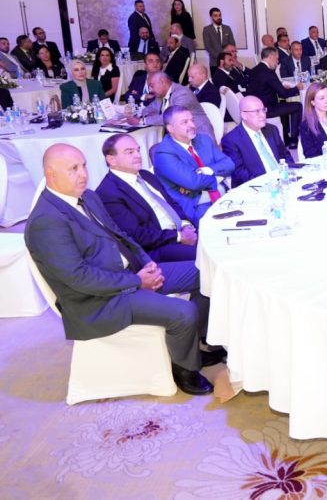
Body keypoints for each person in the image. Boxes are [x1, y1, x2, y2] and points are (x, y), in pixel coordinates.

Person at [26, 143, 220, 396]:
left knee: (204, 272)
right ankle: (184, 369)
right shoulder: (46, 222)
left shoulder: (88, 197)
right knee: (183, 311)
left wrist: (146, 263)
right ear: (51, 174)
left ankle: (192, 344)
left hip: (127, 274)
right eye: (73, 169)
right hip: (97, 301)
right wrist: (137, 282)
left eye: (84, 166)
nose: (83, 174)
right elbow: (79, 278)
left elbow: (122, 236)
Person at [97, 133, 197, 263]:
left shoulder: (145, 175)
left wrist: (185, 225)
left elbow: (171, 203)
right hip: (157, 248)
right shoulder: (108, 192)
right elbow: (137, 235)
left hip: (179, 233)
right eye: (129, 152)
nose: (138, 155)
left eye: (138, 150)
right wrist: (179, 236)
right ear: (111, 160)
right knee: (207, 256)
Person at [221, 95, 297, 186]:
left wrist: (290, 172)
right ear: (244, 115)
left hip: (283, 180)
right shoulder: (231, 140)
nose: (263, 115)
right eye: (257, 111)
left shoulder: (272, 129)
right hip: (257, 186)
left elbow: (284, 155)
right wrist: (268, 184)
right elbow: (239, 173)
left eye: (263, 110)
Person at [246, 47, 304, 148]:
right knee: (297, 106)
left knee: (285, 105)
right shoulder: (269, 72)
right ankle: (293, 140)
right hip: (267, 108)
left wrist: (282, 88)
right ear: (271, 57)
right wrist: (297, 88)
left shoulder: (255, 69)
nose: (277, 62)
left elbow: (267, 87)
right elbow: (284, 94)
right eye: (277, 59)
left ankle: (286, 136)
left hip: (255, 107)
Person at [297, 82, 327, 158]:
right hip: (324, 162)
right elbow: (310, 154)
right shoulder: (306, 126)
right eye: (322, 98)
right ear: (313, 102)